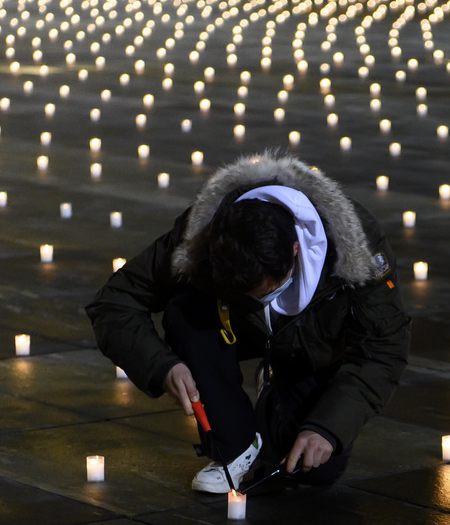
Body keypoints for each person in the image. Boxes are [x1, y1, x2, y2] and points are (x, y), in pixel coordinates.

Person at [86, 152, 410, 493]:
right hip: (235, 329)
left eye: (267, 292)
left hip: (314, 348)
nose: (262, 302)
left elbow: (384, 346)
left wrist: (326, 429)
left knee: (313, 468)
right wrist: (162, 366)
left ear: (296, 250)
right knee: (185, 311)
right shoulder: (203, 233)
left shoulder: (355, 244)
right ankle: (234, 446)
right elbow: (115, 302)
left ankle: (273, 390)